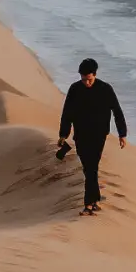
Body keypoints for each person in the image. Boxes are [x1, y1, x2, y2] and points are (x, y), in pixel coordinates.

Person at [55, 58, 127, 214]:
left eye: (89, 79)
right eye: (83, 79)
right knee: (89, 169)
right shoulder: (75, 89)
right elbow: (67, 113)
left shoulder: (105, 89)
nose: (86, 83)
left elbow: (117, 111)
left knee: (91, 167)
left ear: (95, 75)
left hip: (99, 135)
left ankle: (88, 204)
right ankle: (95, 199)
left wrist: (122, 134)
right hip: (80, 135)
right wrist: (63, 134)